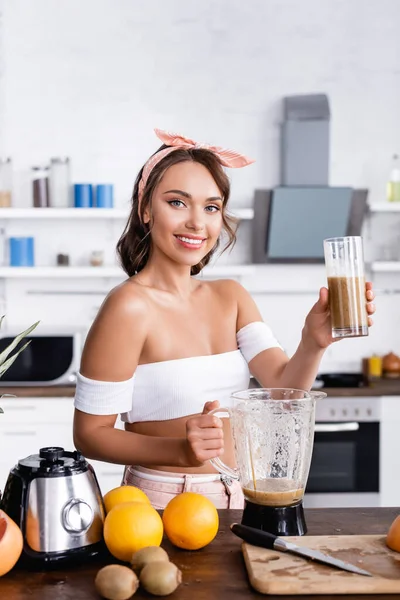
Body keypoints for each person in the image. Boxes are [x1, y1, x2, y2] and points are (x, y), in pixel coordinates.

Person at [73, 128, 376, 509]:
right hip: (164, 500)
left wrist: (313, 341)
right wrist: (181, 451)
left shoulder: (231, 297)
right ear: (146, 209)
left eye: (211, 207)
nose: (197, 223)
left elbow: (283, 393)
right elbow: (89, 435)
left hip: (241, 494)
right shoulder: (128, 307)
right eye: (178, 203)